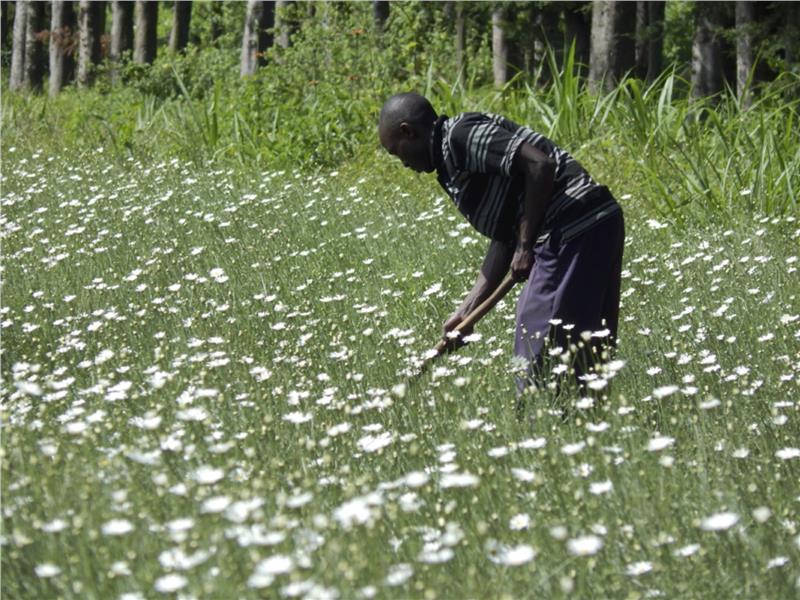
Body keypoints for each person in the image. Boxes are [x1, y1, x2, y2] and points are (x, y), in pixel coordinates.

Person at [378, 92, 624, 396]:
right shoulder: (451, 165)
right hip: (593, 223)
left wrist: (525, 246)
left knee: (536, 343)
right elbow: (505, 237)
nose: (403, 163)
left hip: (573, 227)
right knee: (584, 348)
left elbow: (540, 165)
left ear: (408, 132)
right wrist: (467, 311)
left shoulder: (460, 136)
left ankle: (538, 417)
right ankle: (583, 419)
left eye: (397, 152)